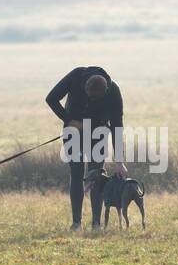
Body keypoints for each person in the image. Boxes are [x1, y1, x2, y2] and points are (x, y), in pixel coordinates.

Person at [45, 66, 128, 230]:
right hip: (73, 129)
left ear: (105, 92)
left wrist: (119, 161)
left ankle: (96, 224)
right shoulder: (76, 76)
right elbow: (51, 98)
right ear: (85, 88)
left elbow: (117, 126)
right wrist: (69, 120)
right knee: (76, 173)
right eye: (89, 97)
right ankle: (76, 223)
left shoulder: (114, 92)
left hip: (98, 132)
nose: (91, 101)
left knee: (96, 176)